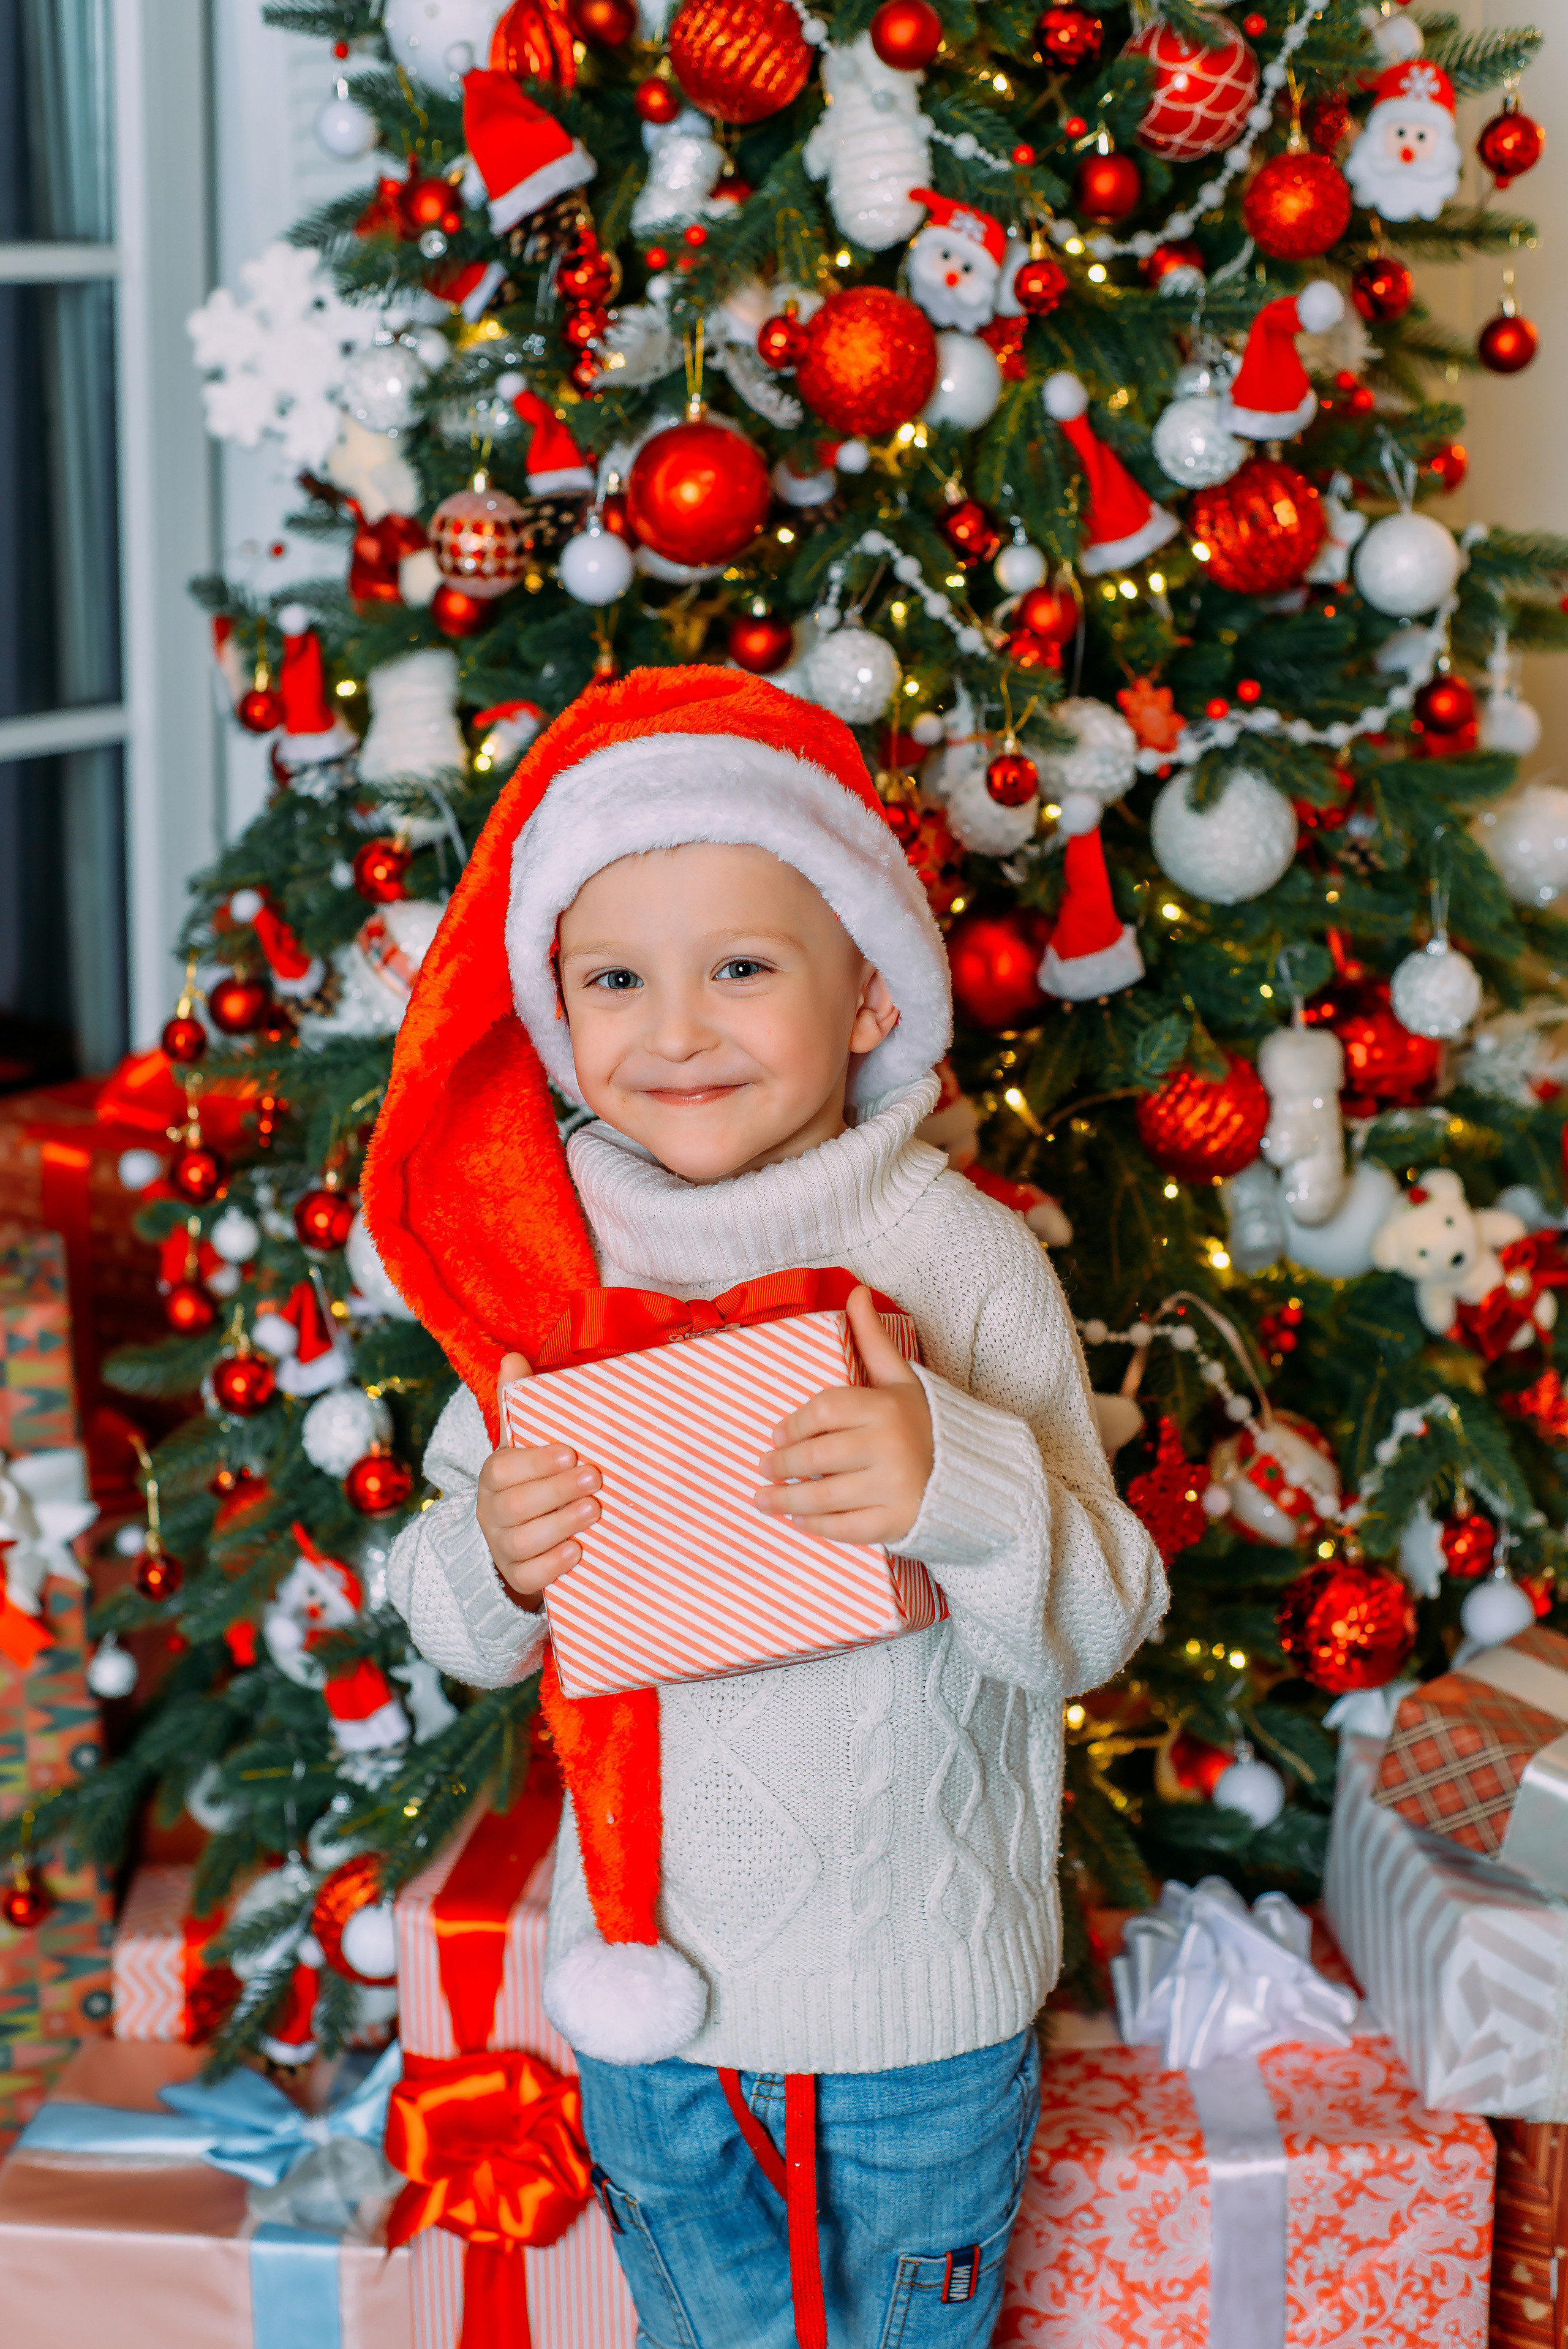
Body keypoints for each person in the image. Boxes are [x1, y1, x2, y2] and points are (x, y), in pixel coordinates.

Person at [366, 665, 1166, 2347]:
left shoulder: (956, 1256)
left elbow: (1103, 1617)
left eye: (742, 966)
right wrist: (493, 1551)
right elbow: (447, 1617)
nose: (674, 1028)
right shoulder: (551, 1261)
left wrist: (960, 1479)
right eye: (615, 978)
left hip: (918, 2014)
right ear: (559, 1011)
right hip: (660, 2015)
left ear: (871, 992)